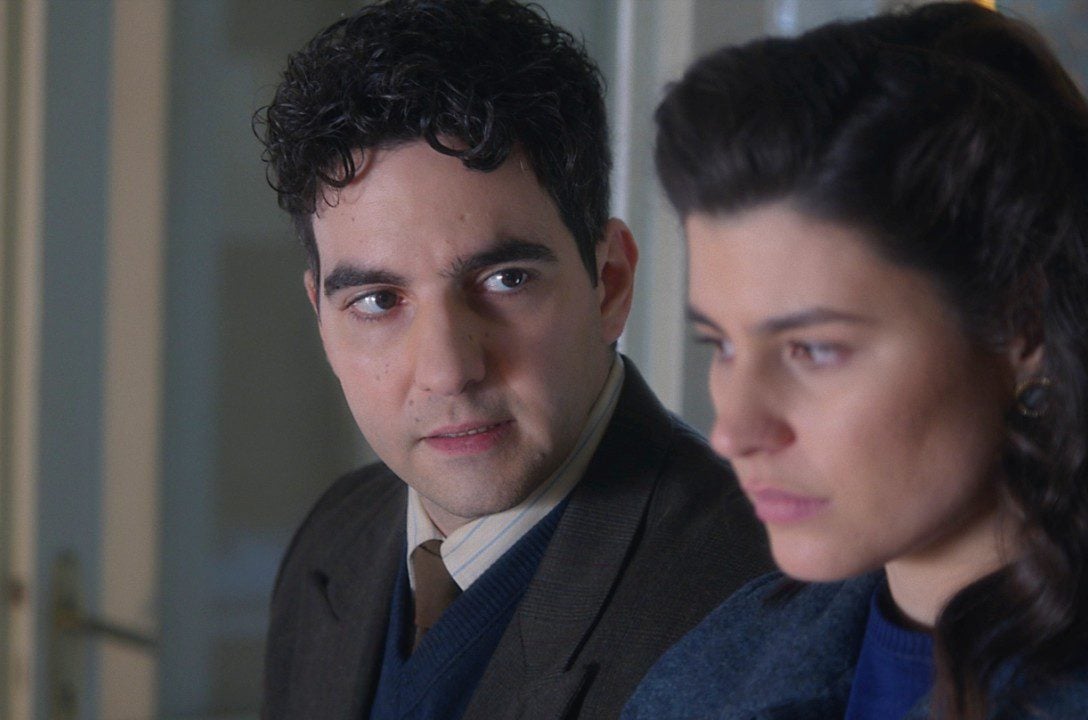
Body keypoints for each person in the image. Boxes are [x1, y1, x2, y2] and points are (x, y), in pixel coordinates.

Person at [623, 3, 1088, 719]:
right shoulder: (712, 669)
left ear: (1024, 327)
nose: (732, 432)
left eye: (814, 349)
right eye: (723, 345)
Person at [253, 1, 772, 719]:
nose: (448, 371)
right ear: (322, 317)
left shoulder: (754, 602)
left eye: (506, 281)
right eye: (377, 300)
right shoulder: (336, 536)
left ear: (609, 284)